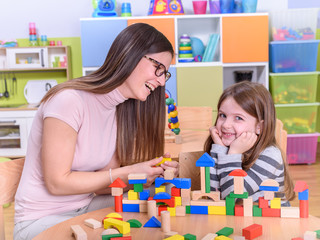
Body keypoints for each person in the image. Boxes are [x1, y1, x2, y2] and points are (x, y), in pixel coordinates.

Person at [14, 23, 179, 240]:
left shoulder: (118, 111)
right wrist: (127, 172)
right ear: (131, 54)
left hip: (85, 206)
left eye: (165, 74)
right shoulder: (69, 100)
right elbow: (57, 183)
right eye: (158, 68)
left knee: (163, 195)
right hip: (40, 220)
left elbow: (103, 186)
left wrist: (145, 175)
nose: (160, 81)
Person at [204, 81, 295, 205]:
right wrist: (219, 148)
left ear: (259, 127)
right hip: (238, 219)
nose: (225, 125)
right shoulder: (224, 147)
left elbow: (232, 197)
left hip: (271, 221)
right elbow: (213, 194)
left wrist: (233, 154)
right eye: (222, 115)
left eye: (238, 118)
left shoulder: (270, 155)